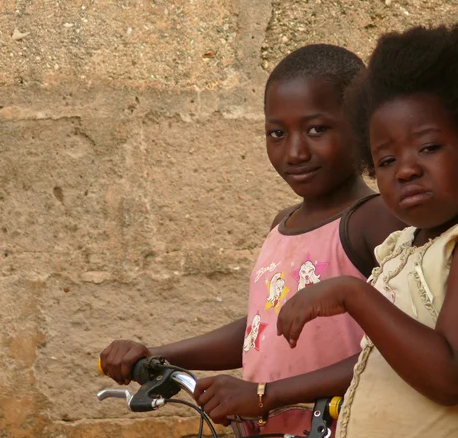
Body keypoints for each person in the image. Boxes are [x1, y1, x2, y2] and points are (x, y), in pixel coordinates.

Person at [100, 44, 405, 435]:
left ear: (363, 127)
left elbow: (396, 351)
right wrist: (159, 354)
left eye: (316, 129)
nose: (294, 152)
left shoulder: (373, 219)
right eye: (277, 133)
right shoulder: (283, 224)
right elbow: (262, 328)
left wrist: (265, 394)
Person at [277, 25, 458, 437]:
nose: (406, 169)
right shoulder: (403, 247)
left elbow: (454, 377)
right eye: (387, 160)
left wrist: (352, 293)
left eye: (428, 148)